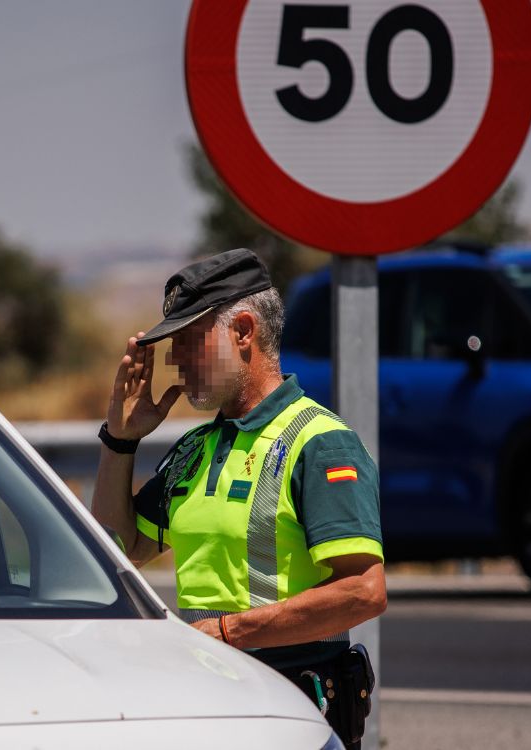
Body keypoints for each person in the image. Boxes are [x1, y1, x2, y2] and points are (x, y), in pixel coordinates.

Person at [92, 248, 386, 748]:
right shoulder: (194, 448)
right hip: (208, 702)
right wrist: (121, 441)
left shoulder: (319, 442)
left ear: (244, 331)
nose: (177, 363)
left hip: (295, 707)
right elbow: (120, 550)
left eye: (189, 342)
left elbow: (363, 591)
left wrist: (228, 633)